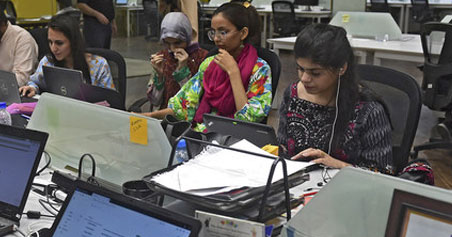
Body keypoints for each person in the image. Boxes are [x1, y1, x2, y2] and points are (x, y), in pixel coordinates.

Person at [277, 24, 394, 172]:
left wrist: (338, 165)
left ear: (341, 68)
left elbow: (383, 173)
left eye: (315, 73)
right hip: (296, 185)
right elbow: (282, 147)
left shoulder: (369, 110)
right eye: (300, 69)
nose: (304, 78)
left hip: (347, 189)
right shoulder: (292, 94)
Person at [143, 2, 272, 129]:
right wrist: (148, 116)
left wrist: (233, 72)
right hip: (204, 135)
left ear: (243, 33)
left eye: (223, 32)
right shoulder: (210, 64)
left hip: (237, 140)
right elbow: (182, 106)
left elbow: (248, 119)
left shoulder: (260, 69)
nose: (216, 38)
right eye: (213, 32)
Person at [19, 14, 114, 97]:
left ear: (73, 42)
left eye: (59, 43)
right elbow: (35, 81)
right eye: (50, 42)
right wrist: (32, 88)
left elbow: (111, 100)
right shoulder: (48, 62)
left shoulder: (99, 66)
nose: (53, 48)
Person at [147, 12, 208, 110]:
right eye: (167, 43)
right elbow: (155, 101)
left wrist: (183, 73)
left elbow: (195, 104)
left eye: (178, 42)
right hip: (164, 117)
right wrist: (159, 76)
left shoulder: (203, 59)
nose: (172, 48)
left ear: (187, 37)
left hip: (190, 121)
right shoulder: (162, 57)